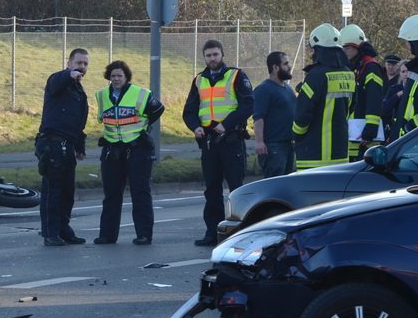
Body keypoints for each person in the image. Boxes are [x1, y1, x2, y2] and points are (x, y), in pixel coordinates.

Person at [182, 39, 254, 247]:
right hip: (209, 142)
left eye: (215, 54)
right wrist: (194, 126)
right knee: (211, 190)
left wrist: (227, 124)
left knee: (236, 189)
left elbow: (248, 104)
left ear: (222, 55)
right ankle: (212, 233)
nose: (212, 59)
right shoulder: (199, 80)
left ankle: (240, 232)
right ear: (204, 58)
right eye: (208, 55)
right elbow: (189, 110)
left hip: (231, 139)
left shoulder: (236, 76)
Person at [93, 60, 165, 245]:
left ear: (126, 77)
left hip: (137, 149)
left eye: (120, 76)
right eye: (113, 76)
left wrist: (145, 127)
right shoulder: (102, 96)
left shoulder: (139, 93)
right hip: (112, 149)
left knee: (140, 192)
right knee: (111, 194)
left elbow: (158, 109)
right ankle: (107, 235)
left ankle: (143, 234)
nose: (116, 79)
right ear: (109, 77)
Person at [35, 48, 90, 246]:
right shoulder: (58, 81)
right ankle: (50, 233)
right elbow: (56, 81)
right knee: (53, 190)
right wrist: (69, 74)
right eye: (78, 63)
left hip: (67, 146)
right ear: (69, 63)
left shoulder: (79, 92)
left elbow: (78, 122)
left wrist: (80, 146)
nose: (82, 67)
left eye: (85, 64)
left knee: (67, 191)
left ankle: (63, 229)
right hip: (52, 144)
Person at [292, 23, 353, 170]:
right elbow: (350, 108)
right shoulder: (349, 74)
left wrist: (296, 135)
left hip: (314, 156)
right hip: (340, 154)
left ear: (318, 49)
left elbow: (303, 115)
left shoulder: (316, 75)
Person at [339, 23, 386, 161]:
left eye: (347, 48)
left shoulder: (370, 67)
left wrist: (370, 129)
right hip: (356, 134)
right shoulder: (357, 67)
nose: (344, 51)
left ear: (357, 47)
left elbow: (374, 99)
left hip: (365, 137)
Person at [252, 51, 296, 178]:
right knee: (274, 184)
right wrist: (259, 142)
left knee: (286, 183)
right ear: (275, 67)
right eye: (286, 63)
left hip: (288, 145)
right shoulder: (263, 89)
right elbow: (258, 117)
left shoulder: (288, 89)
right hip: (273, 147)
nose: (289, 66)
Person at [381, 54, 405, 139]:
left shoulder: (401, 81)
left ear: (398, 66)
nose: (391, 67)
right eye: (389, 64)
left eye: (393, 65)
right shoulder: (380, 77)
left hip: (393, 118)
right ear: (385, 65)